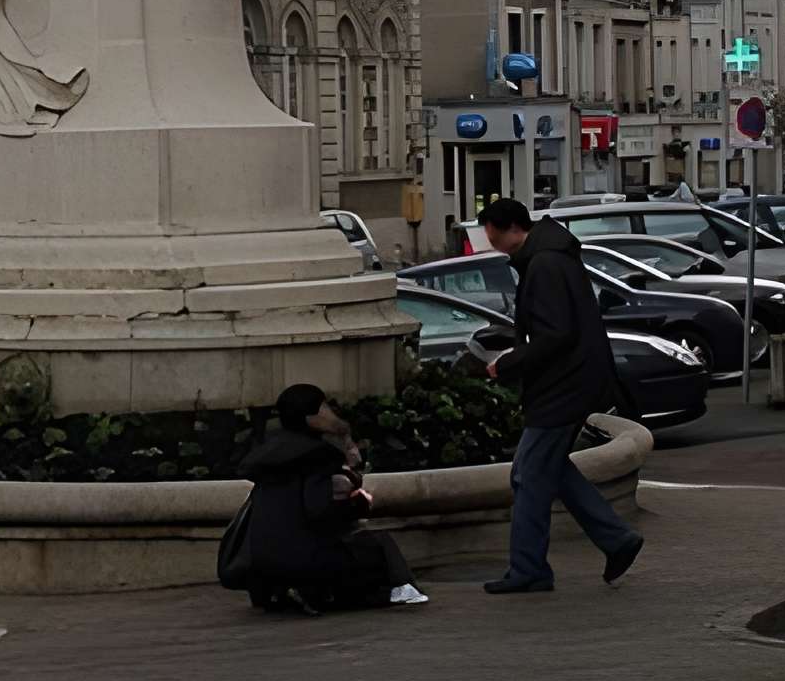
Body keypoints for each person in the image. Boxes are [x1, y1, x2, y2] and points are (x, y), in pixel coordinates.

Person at [477, 196, 644, 594]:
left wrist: (511, 361)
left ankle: (530, 569)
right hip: (572, 381)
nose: (490, 242)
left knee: (529, 473)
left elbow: (555, 333)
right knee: (546, 469)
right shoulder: (550, 256)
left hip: (562, 386)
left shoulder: (545, 264)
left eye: (491, 234)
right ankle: (616, 538)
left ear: (508, 229)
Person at [221, 383, 427, 613]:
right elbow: (319, 511)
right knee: (378, 544)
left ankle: (296, 593)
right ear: (311, 416)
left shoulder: (268, 454)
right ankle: (402, 589)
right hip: (304, 561)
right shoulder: (317, 454)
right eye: (323, 406)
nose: (329, 412)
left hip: (262, 564)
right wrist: (358, 504)